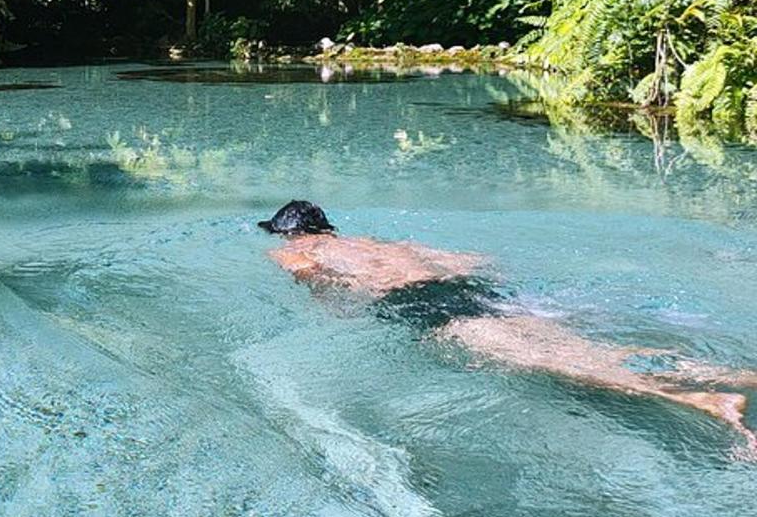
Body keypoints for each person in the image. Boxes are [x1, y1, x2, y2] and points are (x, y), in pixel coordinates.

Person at [259, 200, 757, 456]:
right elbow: (475, 260)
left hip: (426, 307)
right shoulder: (381, 241)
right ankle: (732, 372)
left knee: (557, 360)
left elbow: (320, 294)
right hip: (465, 288)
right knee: (577, 345)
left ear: (290, 232)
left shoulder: (298, 252)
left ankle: (707, 402)